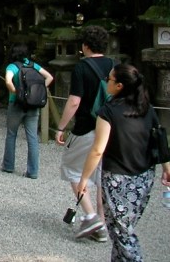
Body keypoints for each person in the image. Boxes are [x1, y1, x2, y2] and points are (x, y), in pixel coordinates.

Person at [78, 64, 170, 261]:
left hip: (117, 178)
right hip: (144, 177)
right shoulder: (147, 108)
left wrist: (84, 179)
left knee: (122, 232)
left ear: (119, 85)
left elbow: (97, 150)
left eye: (109, 79)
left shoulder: (108, 112)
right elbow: (160, 139)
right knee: (122, 228)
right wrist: (166, 167)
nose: (106, 82)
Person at [56, 25, 115, 241]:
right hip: (110, 127)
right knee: (101, 175)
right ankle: (102, 225)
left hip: (87, 126)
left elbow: (74, 101)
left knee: (73, 170)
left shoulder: (82, 68)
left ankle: (91, 217)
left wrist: (61, 127)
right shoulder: (114, 66)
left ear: (85, 46)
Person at [2, 44, 54, 179]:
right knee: (32, 137)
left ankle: (8, 166)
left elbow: (8, 80)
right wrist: (37, 92)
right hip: (33, 105)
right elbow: (49, 77)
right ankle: (33, 171)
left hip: (16, 104)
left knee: (11, 134)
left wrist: (17, 92)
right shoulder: (33, 65)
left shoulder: (12, 66)